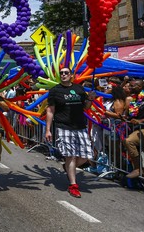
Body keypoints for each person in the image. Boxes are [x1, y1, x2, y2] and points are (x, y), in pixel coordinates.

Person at [45, 67, 95, 198]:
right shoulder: (55, 91)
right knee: (71, 156)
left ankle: (67, 167)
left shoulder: (79, 89)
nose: (63, 75)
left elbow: (86, 107)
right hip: (63, 126)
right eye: (61, 73)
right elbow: (50, 110)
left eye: (66, 73)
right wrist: (48, 130)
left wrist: (90, 99)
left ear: (71, 75)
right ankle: (73, 185)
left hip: (80, 126)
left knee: (86, 156)